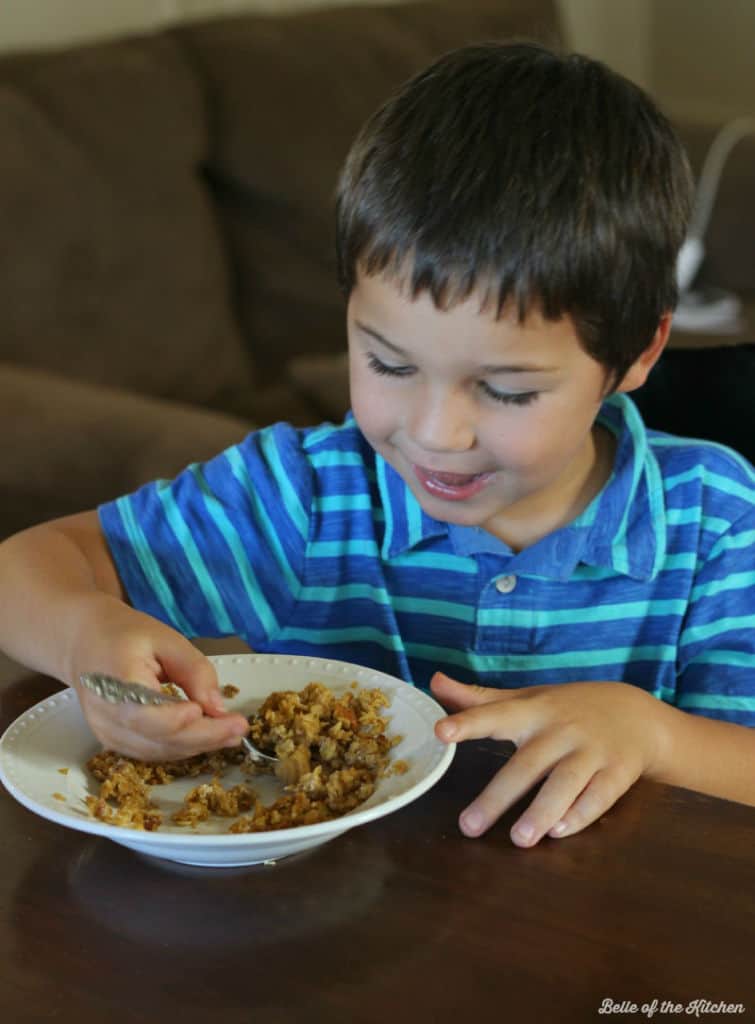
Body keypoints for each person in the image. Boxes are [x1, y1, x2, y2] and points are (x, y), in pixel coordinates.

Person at [1, 42, 753, 849]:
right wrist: (85, 634)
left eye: (505, 390)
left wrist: (656, 735)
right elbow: (22, 571)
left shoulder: (712, 519)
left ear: (638, 353)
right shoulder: (306, 496)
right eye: (389, 364)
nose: (434, 433)